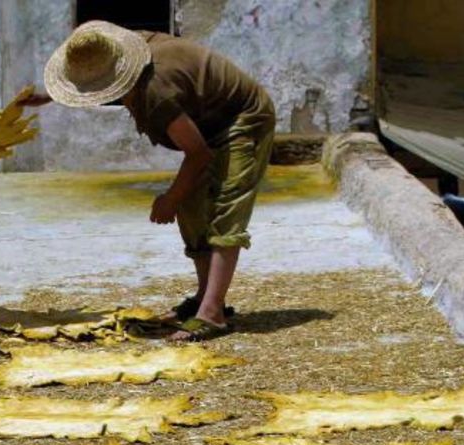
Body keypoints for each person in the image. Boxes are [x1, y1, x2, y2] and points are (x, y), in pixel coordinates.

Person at [20, 21, 276, 341]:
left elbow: (198, 154)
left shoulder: (156, 91)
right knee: (192, 207)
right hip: (207, 118)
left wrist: (169, 197)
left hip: (241, 118)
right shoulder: (123, 49)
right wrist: (50, 96)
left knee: (226, 209)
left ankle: (212, 316)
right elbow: (100, 75)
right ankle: (205, 299)